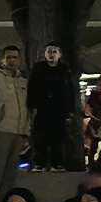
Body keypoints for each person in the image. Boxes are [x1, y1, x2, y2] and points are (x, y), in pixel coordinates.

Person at [29, 42, 75, 171]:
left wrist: (70, 110)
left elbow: (70, 91)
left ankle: (57, 162)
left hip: (59, 109)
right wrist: (32, 106)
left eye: (54, 52)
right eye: (49, 51)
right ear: (45, 54)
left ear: (59, 54)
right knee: (40, 136)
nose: (51, 54)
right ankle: (39, 162)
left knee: (58, 137)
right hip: (42, 107)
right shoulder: (38, 69)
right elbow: (32, 88)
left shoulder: (64, 70)